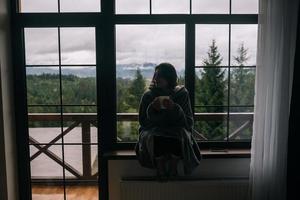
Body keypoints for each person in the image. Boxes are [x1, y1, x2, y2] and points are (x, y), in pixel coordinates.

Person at [135, 63, 201, 181]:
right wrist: (152, 109)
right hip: (155, 133)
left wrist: (175, 109)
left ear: (169, 78)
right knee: (155, 136)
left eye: (160, 76)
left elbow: (188, 123)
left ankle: (173, 166)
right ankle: (160, 167)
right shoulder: (148, 96)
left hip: (176, 132)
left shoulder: (182, 94)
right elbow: (143, 123)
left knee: (179, 134)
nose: (156, 78)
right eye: (155, 75)